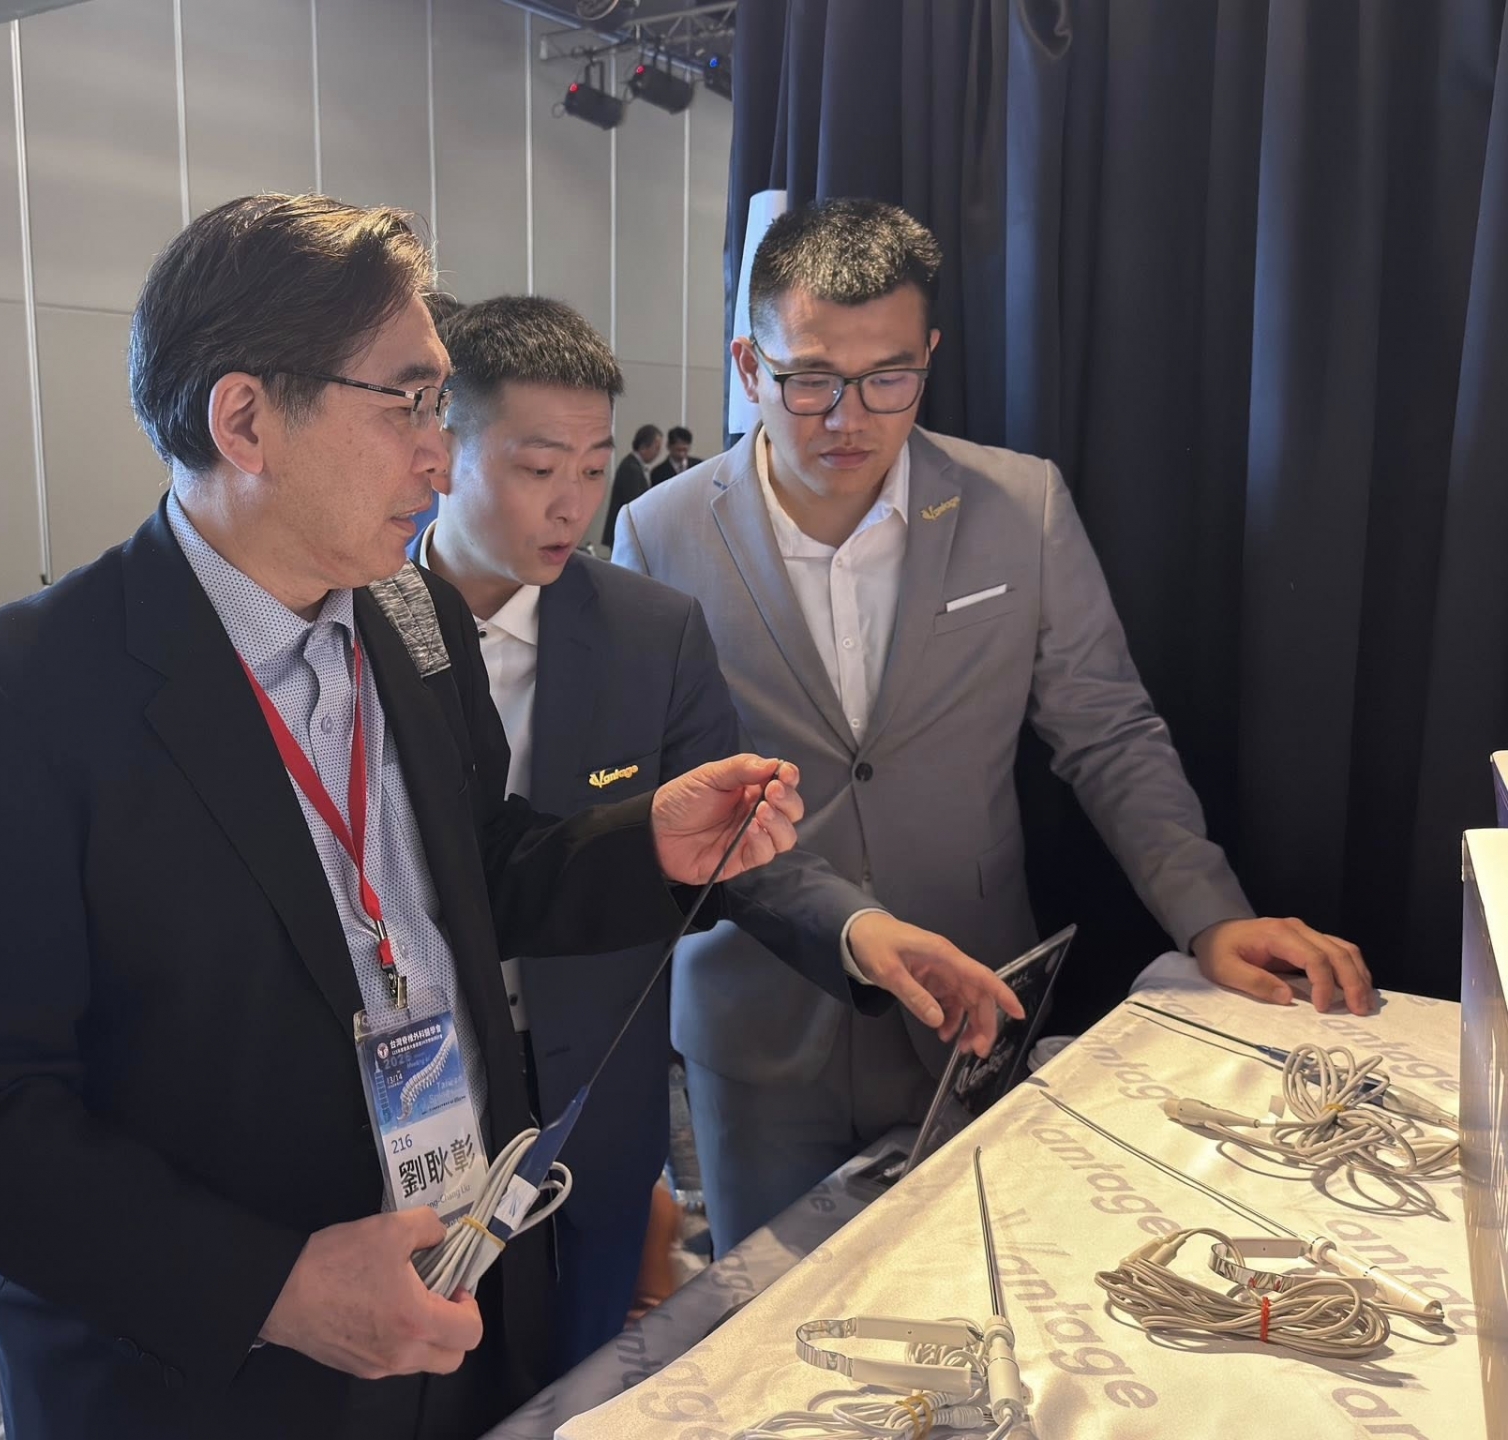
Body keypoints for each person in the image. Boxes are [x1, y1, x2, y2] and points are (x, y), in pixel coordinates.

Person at [0, 194, 808, 1440]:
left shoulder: (413, 617)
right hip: (217, 1375)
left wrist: (644, 844)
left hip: (458, 1279)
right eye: (408, 404)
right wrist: (272, 1289)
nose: (440, 457)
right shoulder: (17, 699)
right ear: (246, 420)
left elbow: (472, 868)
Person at [613, 197, 1377, 1257]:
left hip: (972, 998)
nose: (848, 418)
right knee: (772, 1317)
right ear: (750, 366)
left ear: (929, 357)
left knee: (977, 1291)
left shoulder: (1020, 506)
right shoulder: (658, 533)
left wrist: (1208, 914)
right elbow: (675, 801)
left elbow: (1108, 733)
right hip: (762, 1020)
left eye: (889, 378)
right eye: (811, 380)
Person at [417, 295, 1020, 1371]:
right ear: (439, 449)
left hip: (589, 1118)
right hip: (410, 1113)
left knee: (583, 1390)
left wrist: (862, 932)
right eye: (537, 468)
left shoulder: (647, 635)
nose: (572, 505)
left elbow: (730, 851)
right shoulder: (349, 627)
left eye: (593, 467)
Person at [602, 423, 663, 549]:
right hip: (625, 534)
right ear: (644, 446)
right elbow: (635, 504)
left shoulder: (634, 465)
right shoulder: (631, 468)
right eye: (656, 448)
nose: (658, 452)